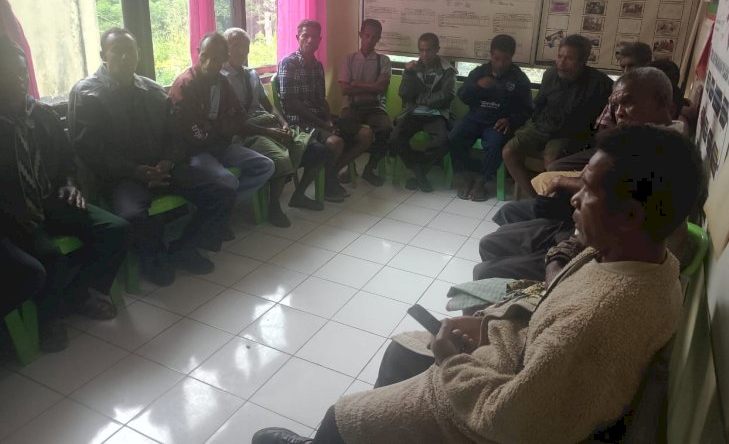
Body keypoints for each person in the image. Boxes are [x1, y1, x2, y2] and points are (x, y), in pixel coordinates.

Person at [251, 124, 703, 444]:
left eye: (587, 190)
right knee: (402, 351)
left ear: (630, 215)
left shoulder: (597, 319)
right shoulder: (644, 260)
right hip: (510, 362)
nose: (575, 199)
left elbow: (510, 420)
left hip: (485, 416)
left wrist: (452, 361)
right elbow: (550, 321)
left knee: (341, 417)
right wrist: (488, 326)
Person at [68, 28, 240, 285]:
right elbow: (90, 150)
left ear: (138, 53)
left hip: (163, 168)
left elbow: (176, 134)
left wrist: (168, 161)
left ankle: (185, 248)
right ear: (103, 55)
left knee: (223, 190)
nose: (125, 57)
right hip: (122, 177)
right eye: (117, 52)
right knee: (132, 215)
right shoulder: (86, 94)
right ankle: (153, 257)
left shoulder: (152, 89)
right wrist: (135, 171)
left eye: (130, 51)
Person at [475, 67, 680, 282]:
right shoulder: (637, 140)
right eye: (616, 105)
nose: (619, 113)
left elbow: (609, 239)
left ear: (663, 104)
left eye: (628, 102)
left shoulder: (661, 161)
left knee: (486, 268)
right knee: (496, 233)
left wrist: (558, 257)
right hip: (575, 230)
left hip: (585, 247)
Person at [0, 36, 130, 352]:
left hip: (52, 199)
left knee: (116, 229)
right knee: (49, 257)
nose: (18, 80)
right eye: (8, 73)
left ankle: (79, 294)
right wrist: (11, 211)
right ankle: (49, 319)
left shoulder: (42, 115)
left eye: (22, 72)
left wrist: (70, 184)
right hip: (14, 214)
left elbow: (67, 162)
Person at [222, 28, 328, 227]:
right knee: (280, 158)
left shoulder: (251, 74)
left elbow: (268, 105)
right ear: (225, 49)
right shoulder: (221, 79)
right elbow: (234, 123)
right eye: (236, 46)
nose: (242, 51)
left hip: (267, 123)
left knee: (312, 148)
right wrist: (269, 132)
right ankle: (274, 206)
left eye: (245, 46)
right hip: (246, 132)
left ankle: (297, 195)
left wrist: (283, 123)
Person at [168, 33, 275, 226]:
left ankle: (222, 209)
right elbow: (192, 133)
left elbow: (240, 116)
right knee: (228, 180)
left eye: (216, 59)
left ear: (225, 59)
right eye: (205, 56)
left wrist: (215, 126)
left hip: (221, 145)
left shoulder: (222, 82)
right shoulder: (186, 85)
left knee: (265, 165)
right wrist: (222, 125)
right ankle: (219, 213)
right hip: (195, 152)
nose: (209, 63)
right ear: (198, 53)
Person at [502, 34, 612, 196]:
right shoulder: (550, 75)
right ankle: (535, 198)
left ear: (583, 61)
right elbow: (539, 104)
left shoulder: (600, 83)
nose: (561, 62)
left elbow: (605, 118)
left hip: (568, 133)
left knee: (552, 162)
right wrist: (535, 124)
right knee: (509, 152)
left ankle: (551, 201)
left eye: (569, 58)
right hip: (542, 125)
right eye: (560, 56)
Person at [278, 19, 373, 202]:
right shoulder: (288, 63)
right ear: (297, 38)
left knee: (365, 134)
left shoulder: (317, 65)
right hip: (299, 122)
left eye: (314, 37)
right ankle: (329, 184)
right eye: (305, 36)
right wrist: (323, 124)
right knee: (335, 142)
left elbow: (322, 100)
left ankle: (331, 175)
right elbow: (291, 104)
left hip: (320, 119)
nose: (310, 40)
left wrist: (329, 120)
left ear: (320, 40)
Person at [448, 34, 532, 201]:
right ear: (491, 55)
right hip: (475, 118)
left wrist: (510, 120)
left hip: (498, 123)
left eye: (505, 59)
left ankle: (483, 182)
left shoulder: (519, 78)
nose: (500, 64)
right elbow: (462, 96)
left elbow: (528, 109)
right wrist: (477, 87)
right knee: (454, 136)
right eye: (496, 58)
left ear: (512, 57)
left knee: (495, 144)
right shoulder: (479, 72)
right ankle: (464, 177)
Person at [390, 32, 457, 192]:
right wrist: (408, 73)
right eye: (421, 50)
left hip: (436, 114)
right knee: (394, 139)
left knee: (444, 141)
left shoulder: (447, 70)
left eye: (429, 50)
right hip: (413, 112)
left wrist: (421, 99)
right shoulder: (412, 68)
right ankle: (419, 172)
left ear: (437, 49)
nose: (425, 54)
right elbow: (404, 93)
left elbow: (446, 96)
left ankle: (418, 171)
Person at [338, 19, 392, 187]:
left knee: (386, 129)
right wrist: (372, 87)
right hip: (352, 106)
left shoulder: (383, 60)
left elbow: (381, 88)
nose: (370, 40)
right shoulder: (348, 59)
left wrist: (356, 84)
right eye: (367, 35)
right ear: (360, 35)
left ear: (379, 38)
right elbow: (345, 90)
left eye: (374, 37)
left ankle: (370, 168)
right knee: (345, 126)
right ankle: (350, 167)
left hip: (375, 107)